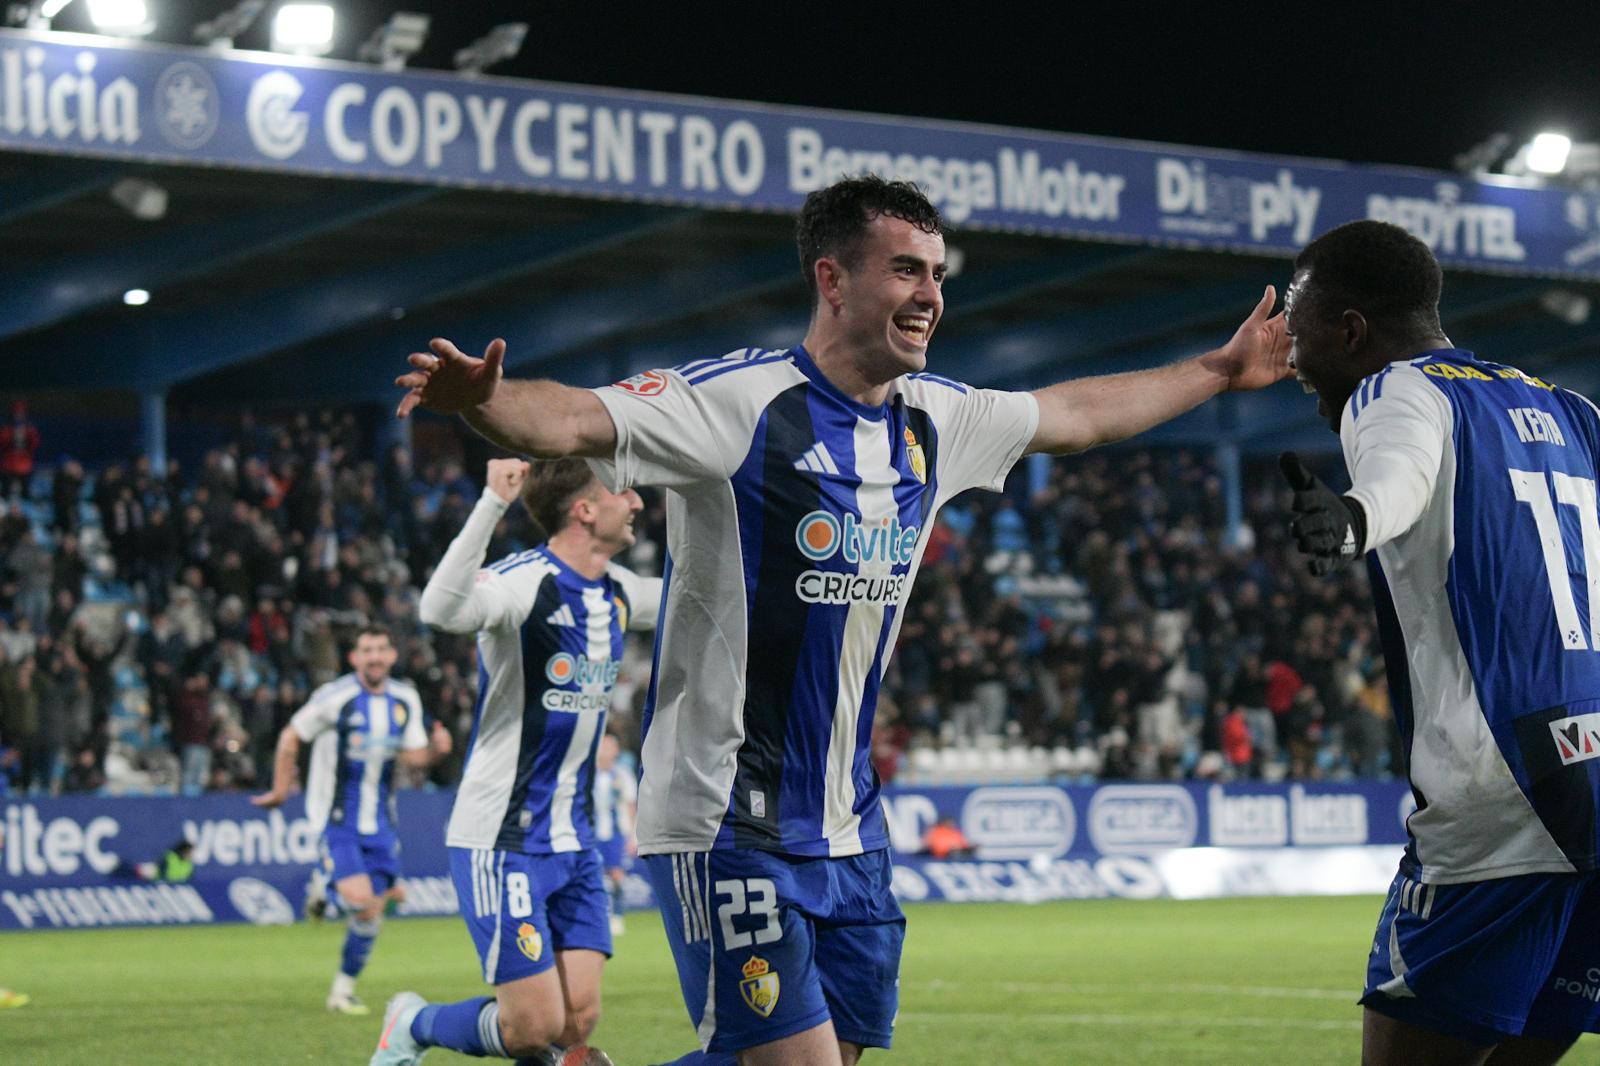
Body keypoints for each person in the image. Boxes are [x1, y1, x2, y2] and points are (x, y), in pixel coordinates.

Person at [394, 174, 1290, 1066]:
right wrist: (483, 400)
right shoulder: (735, 404)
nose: (930, 295)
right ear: (832, 280)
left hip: (848, 822)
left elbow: (1078, 413)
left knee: (835, 1051)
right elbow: (575, 420)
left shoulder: (938, 420)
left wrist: (1218, 370)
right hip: (727, 812)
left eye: (937, 274)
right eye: (905, 270)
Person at [1280, 219, 1600, 1066]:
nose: (1291, 359)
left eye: (1299, 334)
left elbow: (1399, 475)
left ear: (1352, 330)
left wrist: (1350, 522)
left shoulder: (1394, 390)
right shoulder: (1568, 408)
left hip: (1504, 789)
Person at [370, 457, 659, 1066]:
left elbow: (704, 596)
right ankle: (413, 1023)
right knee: (532, 1028)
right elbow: (439, 611)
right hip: (504, 838)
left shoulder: (619, 591)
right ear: (584, 509)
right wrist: (492, 503)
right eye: (623, 493)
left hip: (574, 837)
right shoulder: (523, 584)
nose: (636, 502)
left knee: (575, 1022)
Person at [253, 624, 449, 1017]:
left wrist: (435, 752)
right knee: (360, 901)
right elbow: (291, 735)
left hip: (381, 822)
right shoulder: (335, 697)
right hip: (337, 818)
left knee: (379, 909)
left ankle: (342, 991)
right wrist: (279, 790)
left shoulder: (404, 698)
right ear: (354, 657)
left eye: (381, 649)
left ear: (392, 655)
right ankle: (327, 883)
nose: (374, 657)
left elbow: (412, 757)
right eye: (367, 650)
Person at [591, 732, 637, 937]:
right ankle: (596, 917)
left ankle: (617, 916)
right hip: (592, 833)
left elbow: (630, 805)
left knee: (617, 875)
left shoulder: (622, 774)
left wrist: (633, 835)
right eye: (603, 746)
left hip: (616, 834)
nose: (606, 750)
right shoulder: (588, 773)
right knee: (592, 875)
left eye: (610, 746)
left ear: (616, 750)